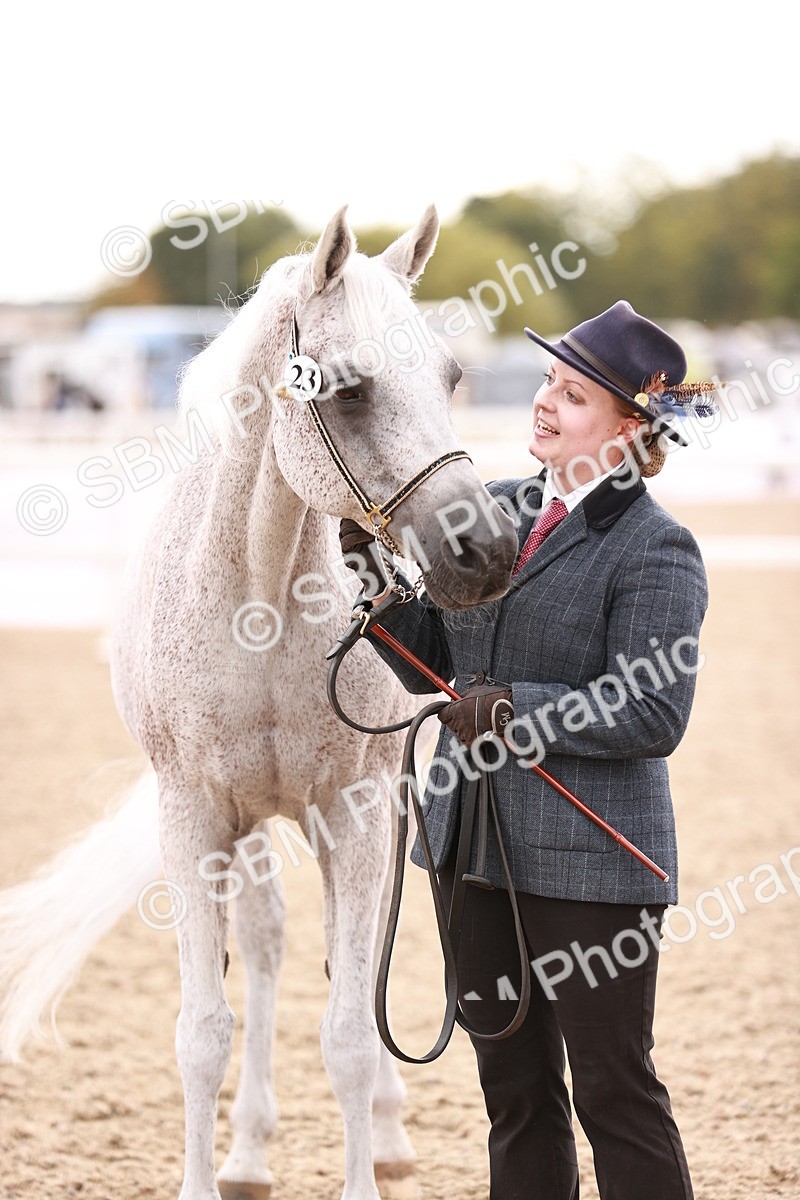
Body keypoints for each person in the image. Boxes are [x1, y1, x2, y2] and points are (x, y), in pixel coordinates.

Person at [340, 300, 717, 1200]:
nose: (546, 401)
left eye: (574, 394)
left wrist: (515, 709)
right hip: (469, 849)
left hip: (594, 864)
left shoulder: (658, 549)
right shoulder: (497, 511)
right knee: (512, 1096)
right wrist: (370, 577)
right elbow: (434, 659)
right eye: (550, 381)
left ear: (629, 430)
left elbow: (654, 712)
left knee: (615, 1095)